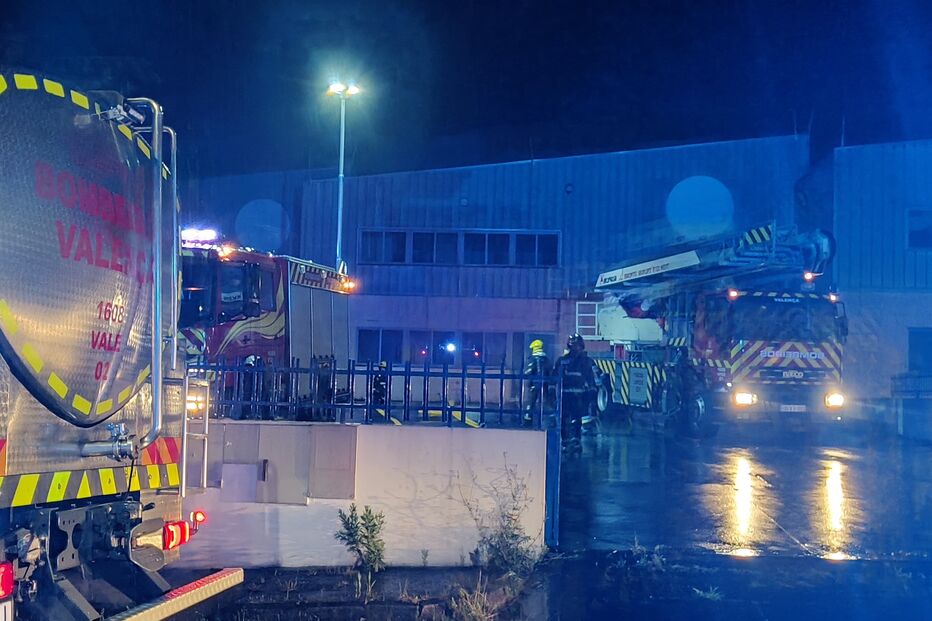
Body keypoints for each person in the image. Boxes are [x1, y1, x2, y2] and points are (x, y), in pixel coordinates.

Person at [556, 334, 597, 451]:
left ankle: (570, 441)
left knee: (570, 419)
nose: (575, 348)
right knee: (570, 418)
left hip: (571, 395)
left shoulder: (562, 361)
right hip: (574, 395)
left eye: (576, 346)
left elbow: (593, 381)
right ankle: (570, 441)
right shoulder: (587, 361)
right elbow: (593, 381)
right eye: (574, 345)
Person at [523, 340, 552, 425]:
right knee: (545, 402)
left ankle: (528, 419)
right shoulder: (546, 359)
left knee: (531, 402)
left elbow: (528, 371)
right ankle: (548, 418)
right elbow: (550, 371)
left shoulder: (533, 359)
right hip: (545, 384)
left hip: (534, 385)